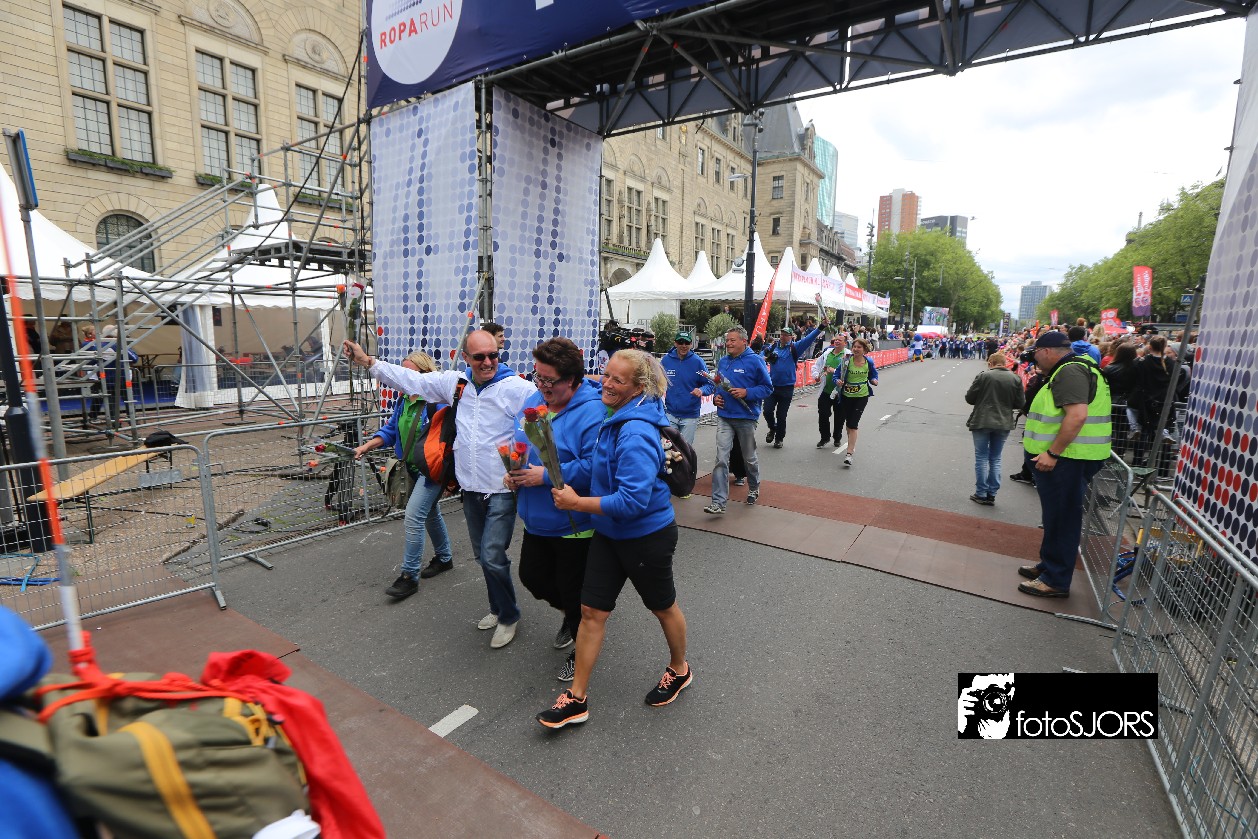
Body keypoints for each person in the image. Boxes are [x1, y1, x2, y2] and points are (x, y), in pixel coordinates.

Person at [343, 330, 534, 648]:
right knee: (481, 555)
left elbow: (538, 423)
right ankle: (497, 607)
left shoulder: (518, 388)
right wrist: (368, 362)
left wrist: (522, 467)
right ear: (466, 358)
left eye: (493, 355)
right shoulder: (456, 384)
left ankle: (509, 615)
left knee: (492, 555)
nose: (488, 362)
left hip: (502, 489)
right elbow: (411, 381)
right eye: (479, 357)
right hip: (470, 488)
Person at [539, 349, 691, 728]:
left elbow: (632, 502)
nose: (606, 383)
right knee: (592, 612)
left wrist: (577, 502)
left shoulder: (635, 432)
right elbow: (594, 391)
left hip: (646, 537)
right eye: (605, 374)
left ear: (638, 388)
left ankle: (679, 669)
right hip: (609, 535)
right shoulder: (617, 410)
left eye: (617, 380)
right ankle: (576, 698)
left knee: (662, 607)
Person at [506, 338, 604, 682]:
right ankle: (576, 616)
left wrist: (544, 476)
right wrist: (513, 469)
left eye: (550, 380)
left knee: (574, 592)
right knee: (533, 578)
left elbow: (594, 467)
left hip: (574, 523)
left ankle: (582, 645)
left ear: (572, 380)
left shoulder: (593, 411)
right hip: (535, 517)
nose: (542, 386)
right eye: (538, 377)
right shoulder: (535, 400)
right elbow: (519, 443)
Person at [351, 351, 454, 598]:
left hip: (431, 471)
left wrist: (450, 477)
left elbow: (449, 439)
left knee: (413, 517)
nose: (403, 377)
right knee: (430, 513)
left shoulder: (437, 402)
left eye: (409, 372)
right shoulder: (404, 400)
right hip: (411, 468)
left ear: (425, 374)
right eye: (402, 371)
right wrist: (366, 446)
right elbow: (390, 431)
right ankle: (444, 558)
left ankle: (409, 576)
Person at [1017, 331, 1111, 598]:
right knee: (1055, 516)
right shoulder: (1072, 368)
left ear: (1046, 351)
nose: (1034, 359)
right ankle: (1048, 566)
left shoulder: (1070, 371)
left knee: (1062, 518)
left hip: (1069, 458)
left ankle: (1055, 579)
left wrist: (1053, 453)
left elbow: (1077, 415)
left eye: (1036, 353)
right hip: (1070, 457)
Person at [701, 326, 773, 514]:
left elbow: (767, 388)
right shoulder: (723, 361)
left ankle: (754, 487)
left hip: (746, 417)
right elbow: (718, 385)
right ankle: (718, 502)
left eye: (733, 340)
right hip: (725, 417)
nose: (728, 343)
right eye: (727, 340)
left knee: (749, 458)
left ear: (744, 341)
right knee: (721, 459)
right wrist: (716, 398)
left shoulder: (755, 361)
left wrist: (746, 392)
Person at [964, 352, 1024, 506]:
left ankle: (981, 493)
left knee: (981, 457)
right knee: (995, 458)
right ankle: (992, 493)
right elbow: (1020, 403)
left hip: (982, 420)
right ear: (1004, 363)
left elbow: (970, 398)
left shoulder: (984, 376)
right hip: (1004, 421)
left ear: (990, 363)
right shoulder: (1015, 378)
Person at [761, 322, 825, 448]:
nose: (783, 337)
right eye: (782, 334)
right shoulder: (772, 347)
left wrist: (821, 327)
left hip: (787, 388)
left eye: (786, 335)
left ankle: (779, 439)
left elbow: (809, 338)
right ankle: (772, 428)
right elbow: (760, 357)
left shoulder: (795, 348)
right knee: (767, 411)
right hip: (772, 386)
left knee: (781, 415)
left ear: (791, 337)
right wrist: (765, 359)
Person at [833, 338, 878, 467]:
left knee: (853, 424)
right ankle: (851, 443)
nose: (856, 349)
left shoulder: (868, 362)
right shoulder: (846, 360)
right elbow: (836, 375)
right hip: (846, 396)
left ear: (864, 349)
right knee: (848, 424)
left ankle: (849, 453)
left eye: (859, 347)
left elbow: (873, 375)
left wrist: (874, 380)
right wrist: (837, 381)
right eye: (854, 347)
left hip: (861, 396)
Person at [660, 330, 709, 446]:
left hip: (690, 416)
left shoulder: (697, 362)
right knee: (670, 449)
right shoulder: (666, 360)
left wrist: (701, 390)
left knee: (685, 450)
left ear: (691, 344)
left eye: (687, 343)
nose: (683, 345)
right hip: (670, 413)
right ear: (675, 343)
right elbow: (658, 381)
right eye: (680, 342)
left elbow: (710, 384)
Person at [1101, 342, 1141, 460]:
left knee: (1109, 430)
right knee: (1122, 432)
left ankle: (1108, 455)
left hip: (1112, 402)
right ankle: (1119, 456)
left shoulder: (1109, 368)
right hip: (1130, 403)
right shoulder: (1138, 368)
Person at [812, 333, 850, 448]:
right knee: (823, 414)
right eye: (836, 340)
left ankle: (837, 437)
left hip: (841, 392)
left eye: (840, 340)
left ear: (845, 343)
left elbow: (850, 372)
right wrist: (816, 375)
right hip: (826, 390)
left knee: (839, 417)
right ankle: (825, 438)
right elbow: (816, 366)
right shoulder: (827, 353)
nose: (837, 341)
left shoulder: (848, 355)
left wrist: (833, 371)